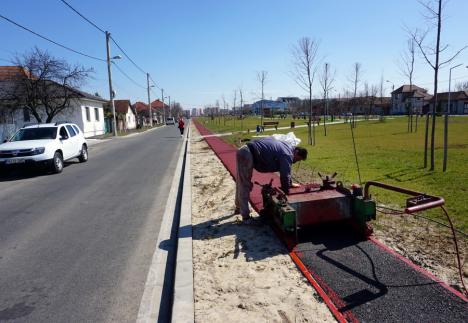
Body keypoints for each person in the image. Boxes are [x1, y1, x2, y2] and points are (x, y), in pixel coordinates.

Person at [235, 137, 308, 221]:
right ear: (296, 152)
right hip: (247, 154)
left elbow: (286, 171)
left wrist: (290, 183)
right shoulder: (288, 154)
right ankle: (246, 217)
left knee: (241, 181)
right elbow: (285, 175)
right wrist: (286, 193)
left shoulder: (287, 146)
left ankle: (238, 207)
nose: (295, 161)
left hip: (246, 151)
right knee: (245, 184)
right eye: (298, 159)